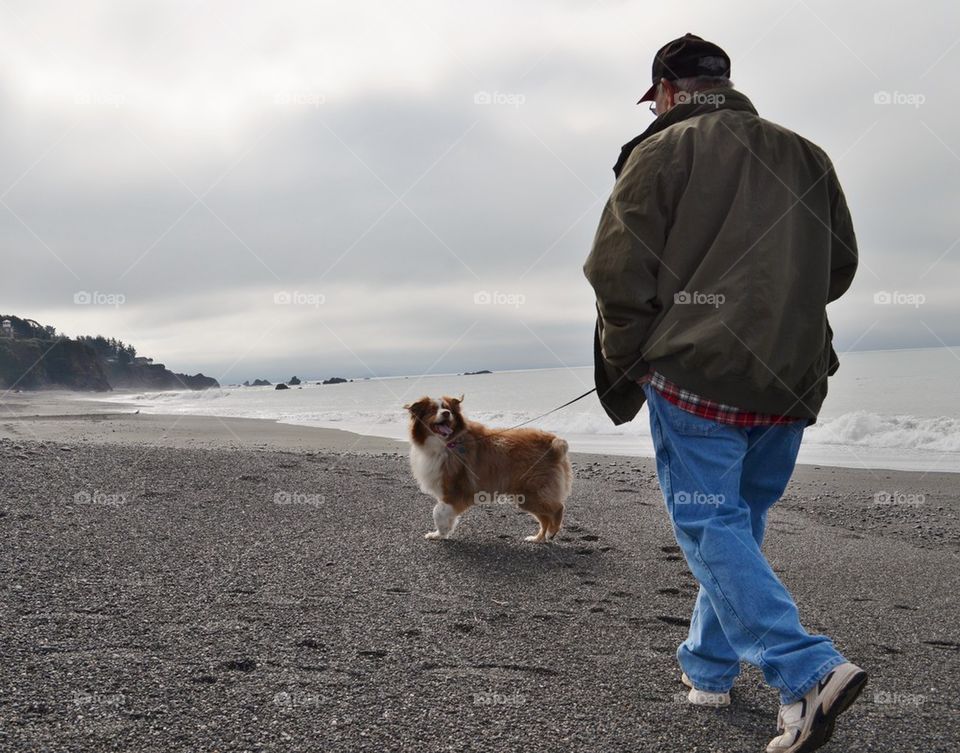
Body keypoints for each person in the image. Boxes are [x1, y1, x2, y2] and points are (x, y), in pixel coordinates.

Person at [583, 33, 866, 753]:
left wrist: (630, 360)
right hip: (791, 376)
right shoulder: (807, 154)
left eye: (658, 97)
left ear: (669, 92)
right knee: (737, 522)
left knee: (709, 526)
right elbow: (838, 269)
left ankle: (806, 671)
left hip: (697, 370)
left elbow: (617, 273)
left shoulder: (658, 151)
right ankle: (708, 668)